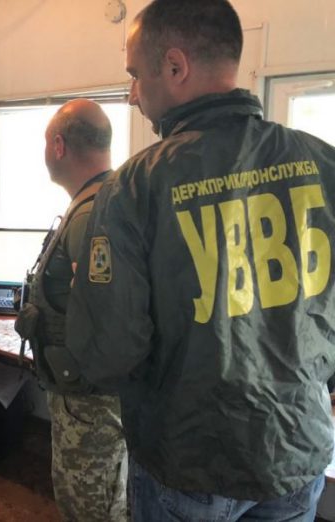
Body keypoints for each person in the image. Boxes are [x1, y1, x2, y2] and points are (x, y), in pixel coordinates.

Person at [67, 0, 335, 520]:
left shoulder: (135, 186)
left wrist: (93, 295)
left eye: (135, 75)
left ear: (175, 66)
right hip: (295, 450)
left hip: (188, 463)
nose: (133, 94)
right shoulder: (322, 163)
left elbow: (108, 355)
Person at [16, 99, 127, 521]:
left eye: (47, 143)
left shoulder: (90, 215)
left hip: (89, 404)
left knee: (89, 507)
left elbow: (107, 313)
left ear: (59, 146)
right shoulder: (112, 196)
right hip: (98, 396)